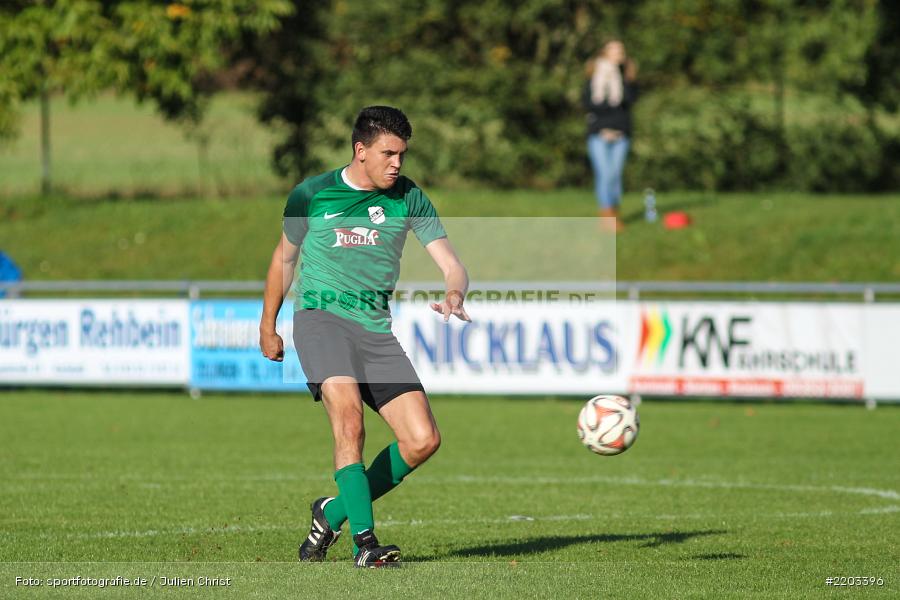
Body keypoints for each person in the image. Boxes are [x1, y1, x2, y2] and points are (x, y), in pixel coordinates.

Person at [258, 106, 470, 568]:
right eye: (388, 153)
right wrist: (267, 323)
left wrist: (454, 292)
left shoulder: (409, 197)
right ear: (361, 150)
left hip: (375, 327)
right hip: (320, 319)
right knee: (350, 422)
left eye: (402, 155)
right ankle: (365, 542)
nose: (397, 163)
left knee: (422, 439)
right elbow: (283, 260)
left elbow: (451, 262)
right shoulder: (311, 194)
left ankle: (330, 511)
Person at [583, 39, 638, 231]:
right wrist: (605, 127)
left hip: (621, 133)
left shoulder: (626, 78)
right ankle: (606, 214)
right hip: (599, 134)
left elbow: (629, 103)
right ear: (604, 53)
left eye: (621, 51)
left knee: (615, 175)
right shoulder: (594, 78)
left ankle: (614, 212)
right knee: (605, 174)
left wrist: (627, 78)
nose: (619, 54)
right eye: (614, 51)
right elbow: (591, 105)